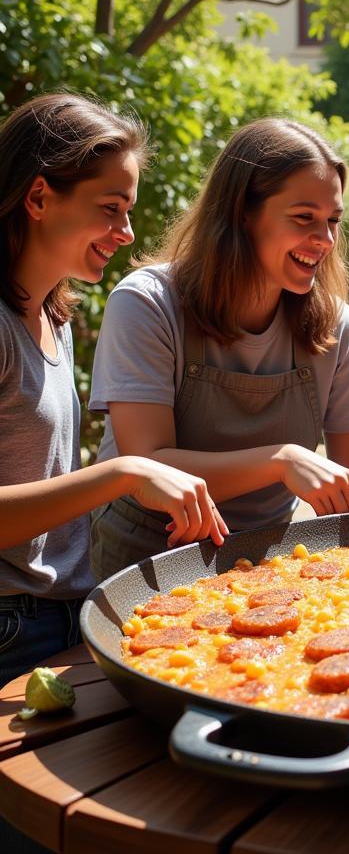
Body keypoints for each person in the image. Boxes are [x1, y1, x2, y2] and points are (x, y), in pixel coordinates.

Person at [89, 118, 349, 581]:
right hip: (143, 562)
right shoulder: (147, 303)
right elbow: (146, 465)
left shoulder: (335, 326)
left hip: (269, 568)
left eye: (332, 221)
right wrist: (281, 461)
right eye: (304, 218)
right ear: (242, 213)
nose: (324, 240)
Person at [0, 94, 222, 684]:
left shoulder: (55, 316)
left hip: (67, 611)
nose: (126, 232)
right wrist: (125, 472)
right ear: (40, 197)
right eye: (111, 208)